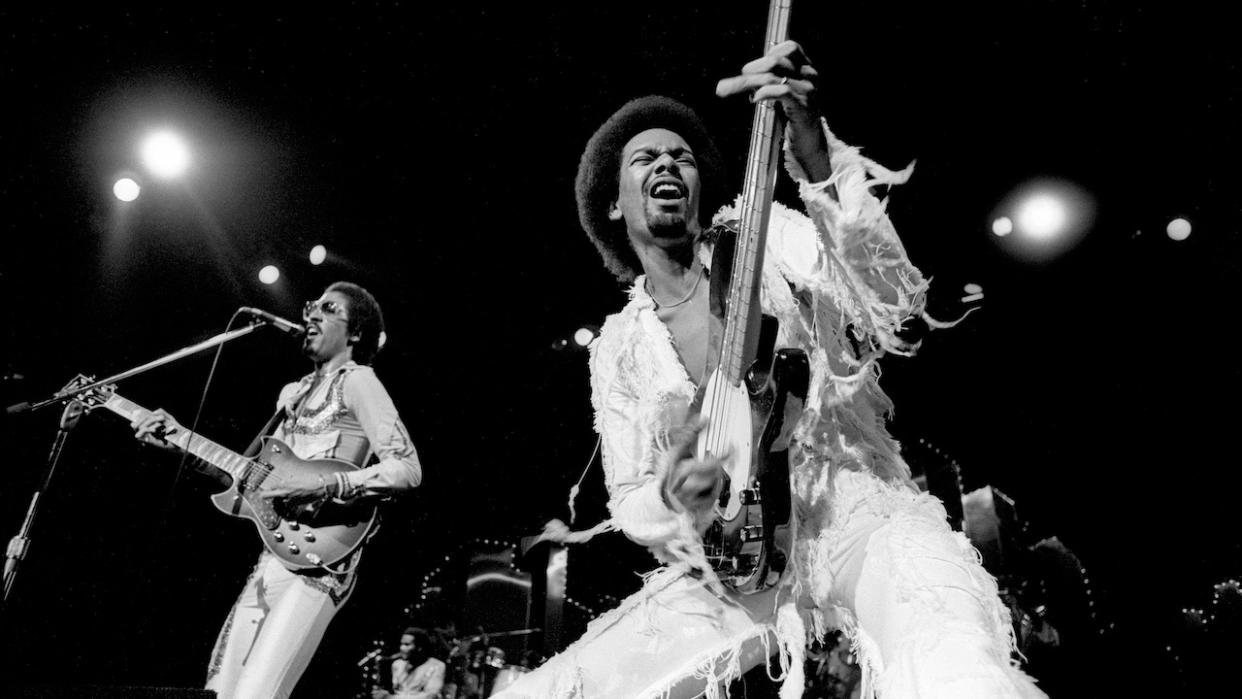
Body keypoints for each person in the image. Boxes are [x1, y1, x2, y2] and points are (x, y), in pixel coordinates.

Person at [494, 42, 1045, 698]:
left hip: (854, 507)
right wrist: (676, 494)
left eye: (683, 156)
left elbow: (891, 295)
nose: (669, 162)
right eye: (647, 157)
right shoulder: (619, 348)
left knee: (956, 658)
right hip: (733, 561)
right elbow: (632, 496)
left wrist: (813, 151)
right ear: (614, 204)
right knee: (559, 689)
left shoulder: (760, 237)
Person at [132, 281, 423, 699]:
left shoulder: (360, 382)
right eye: (311, 307)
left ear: (355, 332)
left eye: (328, 309)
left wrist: (325, 482)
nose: (312, 315)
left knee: (257, 694)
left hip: (321, 564)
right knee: (220, 689)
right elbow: (251, 480)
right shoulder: (293, 392)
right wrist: (179, 444)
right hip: (273, 556)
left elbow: (407, 469)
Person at [372, 627, 447, 699]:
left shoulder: (437, 666)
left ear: (420, 647)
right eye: (401, 644)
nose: (402, 648)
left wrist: (390, 697)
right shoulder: (397, 664)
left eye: (407, 645)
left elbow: (430, 696)